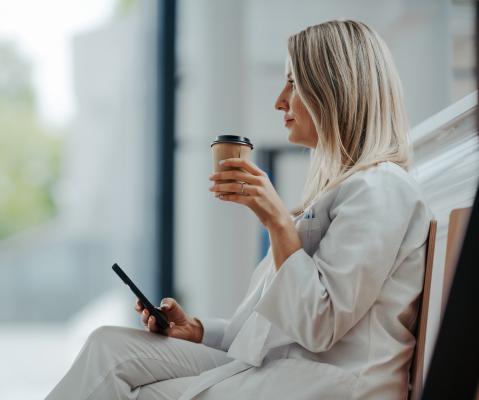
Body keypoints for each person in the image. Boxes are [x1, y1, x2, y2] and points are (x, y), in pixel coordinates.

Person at [45, 19, 433, 400]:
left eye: (294, 83)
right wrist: (197, 331)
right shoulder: (347, 192)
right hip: (282, 370)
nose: (280, 100)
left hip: (329, 384)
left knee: (135, 391)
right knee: (108, 346)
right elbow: (269, 330)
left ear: (335, 89)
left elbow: (319, 325)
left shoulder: (382, 189)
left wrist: (277, 222)